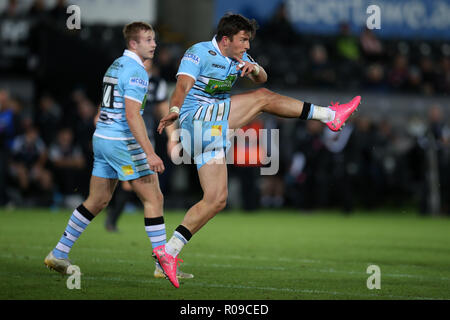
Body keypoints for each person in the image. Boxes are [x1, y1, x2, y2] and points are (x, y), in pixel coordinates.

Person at [154, 13, 361, 288]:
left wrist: (254, 70)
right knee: (263, 99)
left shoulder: (238, 57)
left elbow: (263, 77)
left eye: (248, 40)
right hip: (195, 120)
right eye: (243, 40)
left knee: (216, 199)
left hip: (211, 132)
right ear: (225, 40)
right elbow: (182, 86)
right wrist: (174, 110)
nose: (247, 45)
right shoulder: (199, 52)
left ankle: (167, 254)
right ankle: (329, 115)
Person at [44, 22, 169, 276]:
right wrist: (149, 152)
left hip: (101, 138)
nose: (154, 44)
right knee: (153, 198)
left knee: (97, 200)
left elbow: (104, 106)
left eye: (153, 39)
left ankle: (58, 252)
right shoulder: (137, 71)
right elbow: (133, 116)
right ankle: (164, 265)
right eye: (148, 40)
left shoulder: (116, 65)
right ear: (133, 43)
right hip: (121, 141)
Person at [104, 58, 193, 279]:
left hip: (145, 142)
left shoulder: (155, 83)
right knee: (150, 196)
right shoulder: (128, 77)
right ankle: (162, 263)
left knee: (125, 191)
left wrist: (173, 137)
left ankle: (63, 249)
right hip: (128, 141)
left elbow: (164, 111)